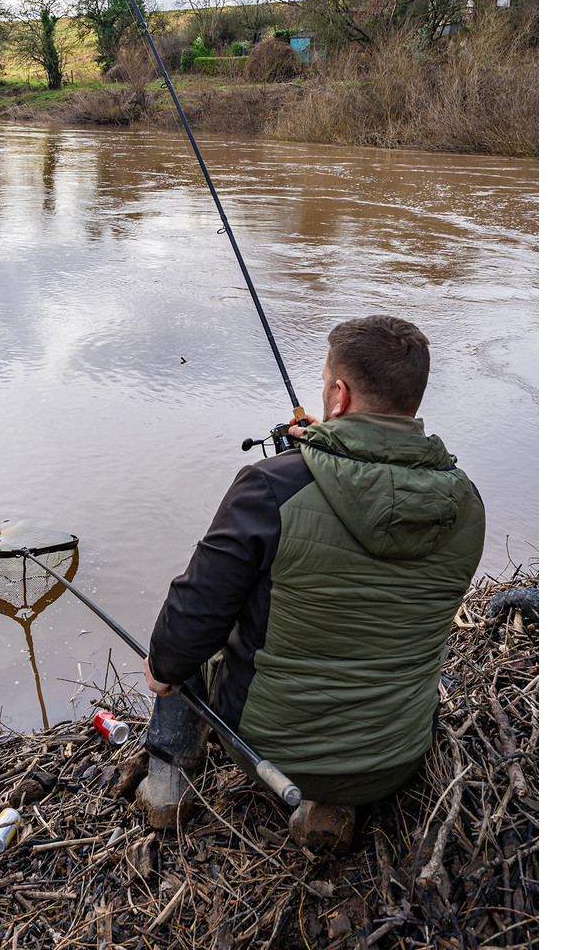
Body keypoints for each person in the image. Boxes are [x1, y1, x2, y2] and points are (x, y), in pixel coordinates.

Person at [139, 315, 485, 834]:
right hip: (398, 755)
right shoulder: (466, 502)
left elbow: (191, 622)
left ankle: (168, 784)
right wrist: (329, 451)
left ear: (338, 395)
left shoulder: (268, 488)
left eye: (326, 382)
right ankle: (336, 806)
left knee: (188, 633)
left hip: (276, 756)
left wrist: (164, 668)